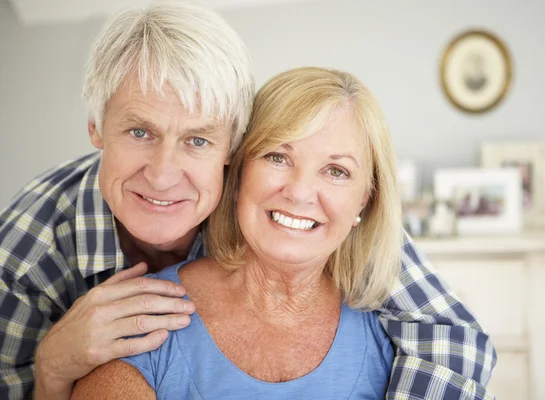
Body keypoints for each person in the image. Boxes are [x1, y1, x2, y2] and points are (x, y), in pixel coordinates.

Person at [0, 2, 496, 400]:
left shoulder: (284, 206)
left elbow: (452, 339)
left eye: (198, 140)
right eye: (139, 130)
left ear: (232, 149)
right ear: (94, 126)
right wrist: (52, 369)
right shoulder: (23, 255)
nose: (165, 174)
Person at [72, 66, 403, 399]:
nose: (300, 192)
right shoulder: (143, 321)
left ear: (364, 199)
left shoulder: (396, 335)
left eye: (336, 171)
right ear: (239, 168)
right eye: (278, 156)